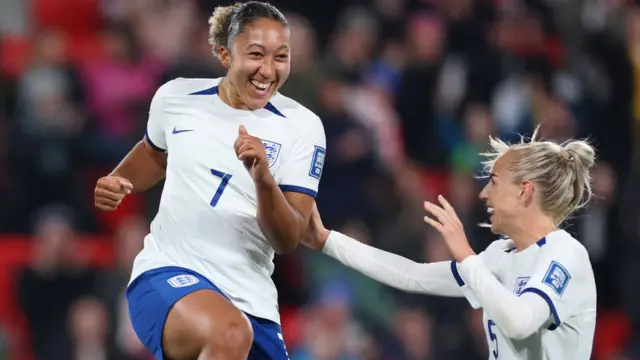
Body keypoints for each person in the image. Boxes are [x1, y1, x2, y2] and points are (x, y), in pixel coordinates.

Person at [93, 2, 326, 360]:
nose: (268, 70)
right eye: (255, 55)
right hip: (168, 276)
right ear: (224, 54)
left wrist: (263, 180)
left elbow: (287, 238)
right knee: (230, 334)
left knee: (234, 331)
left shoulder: (303, 127)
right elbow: (155, 153)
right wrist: (118, 179)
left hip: (251, 303)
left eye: (281, 57)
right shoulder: (176, 97)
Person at [302, 130, 597, 360]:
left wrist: (467, 256)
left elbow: (520, 322)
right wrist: (327, 240)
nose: (483, 194)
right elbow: (411, 275)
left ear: (524, 191)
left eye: (493, 182)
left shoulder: (566, 254)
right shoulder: (500, 255)